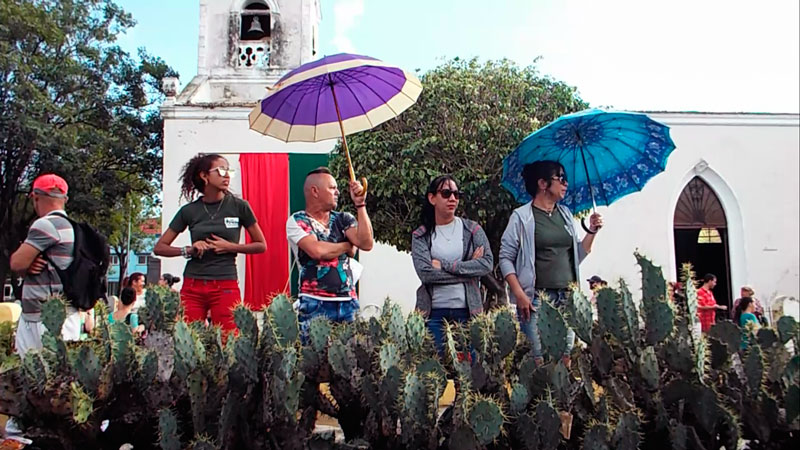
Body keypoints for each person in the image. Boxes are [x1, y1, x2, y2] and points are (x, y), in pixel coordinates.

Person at [499, 161, 604, 367]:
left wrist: (592, 231)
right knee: (539, 358)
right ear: (543, 183)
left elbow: (576, 255)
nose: (566, 183)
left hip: (567, 297)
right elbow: (505, 258)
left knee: (565, 357)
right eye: (561, 178)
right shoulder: (522, 217)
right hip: (536, 298)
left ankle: (562, 400)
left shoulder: (565, 215)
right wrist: (519, 294)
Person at [154, 154, 266, 332]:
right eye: (221, 171)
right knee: (189, 338)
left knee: (229, 339)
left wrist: (230, 247)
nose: (227, 175)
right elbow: (160, 247)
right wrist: (189, 250)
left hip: (225, 283)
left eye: (229, 171)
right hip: (193, 284)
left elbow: (261, 245)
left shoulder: (239, 206)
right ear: (204, 176)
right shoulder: (189, 211)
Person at [411, 175, 493, 356]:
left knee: (466, 374)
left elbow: (487, 264)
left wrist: (445, 265)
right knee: (435, 373)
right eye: (446, 193)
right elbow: (426, 274)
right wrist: (469, 269)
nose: (453, 199)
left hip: (468, 312)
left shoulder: (472, 230)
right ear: (432, 198)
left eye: (456, 194)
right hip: (433, 314)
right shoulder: (421, 235)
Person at [286, 167, 374, 337]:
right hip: (314, 303)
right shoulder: (298, 220)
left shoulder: (343, 218)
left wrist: (360, 204)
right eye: (332, 188)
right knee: (314, 358)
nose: (338, 192)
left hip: (348, 301)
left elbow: (366, 243)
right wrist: (347, 246)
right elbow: (317, 251)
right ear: (315, 191)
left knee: (349, 359)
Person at [9, 174, 81, 357]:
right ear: (65, 199)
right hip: (67, 314)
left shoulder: (46, 225)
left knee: (34, 377)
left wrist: (25, 265)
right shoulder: (72, 227)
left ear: (36, 197)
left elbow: (16, 262)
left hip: (44, 317)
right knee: (61, 379)